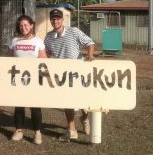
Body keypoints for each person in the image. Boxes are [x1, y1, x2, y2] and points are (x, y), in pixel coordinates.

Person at [44, 9, 95, 141]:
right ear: (50, 21)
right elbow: (47, 53)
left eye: (58, 19)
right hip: (62, 75)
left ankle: (84, 118)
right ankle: (72, 130)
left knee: (84, 102)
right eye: (53, 19)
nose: (55, 21)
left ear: (62, 20)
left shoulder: (74, 31)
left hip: (79, 72)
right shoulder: (48, 37)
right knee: (67, 101)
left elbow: (89, 42)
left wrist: (89, 55)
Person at [8, 15, 47, 145]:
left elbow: (44, 61)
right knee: (19, 106)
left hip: (34, 80)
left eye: (26, 25)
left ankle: (37, 133)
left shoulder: (38, 41)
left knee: (35, 107)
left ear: (31, 25)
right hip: (18, 79)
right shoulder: (14, 41)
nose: (23, 28)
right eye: (21, 26)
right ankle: (19, 131)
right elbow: (8, 60)